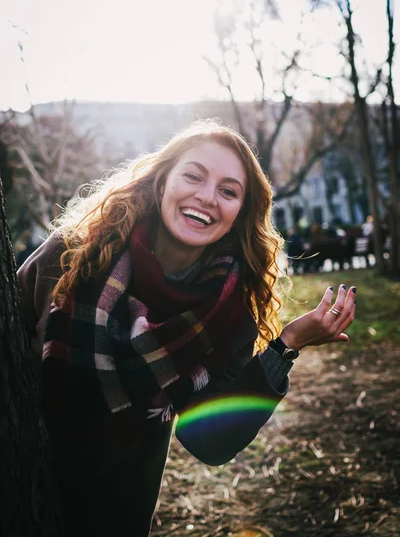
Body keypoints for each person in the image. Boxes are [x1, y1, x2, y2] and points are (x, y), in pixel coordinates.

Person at [17, 120, 356, 537]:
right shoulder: (71, 257)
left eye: (228, 191)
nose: (206, 197)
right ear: (161, 184)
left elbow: (208, 441)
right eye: (193, 176)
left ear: (239, 214)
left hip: (113, 514)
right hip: (17, 484)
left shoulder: (230, 316)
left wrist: (288, 343)